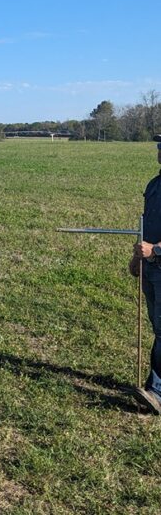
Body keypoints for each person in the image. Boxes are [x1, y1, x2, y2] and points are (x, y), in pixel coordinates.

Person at [131, 133, 161, 414]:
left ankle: (158, 391)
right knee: (158, 329)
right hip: (151, 269)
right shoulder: (154, 185)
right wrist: (137, 256)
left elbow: (153, 244)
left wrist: (156, 250)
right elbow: (144, 228)